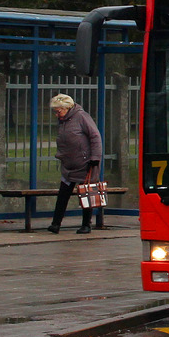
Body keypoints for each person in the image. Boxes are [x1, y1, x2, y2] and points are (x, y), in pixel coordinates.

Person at [48, 93, 103, 234]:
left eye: (58, 111)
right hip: (68, 164)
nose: (56, 114)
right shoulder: (64, 121)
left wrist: (95, 157)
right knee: (63, 194)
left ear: (67, 108)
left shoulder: (82, 117)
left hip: (86, 164)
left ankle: (86, 224)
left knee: (87, 194)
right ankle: (56, 224)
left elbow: (95, 136)